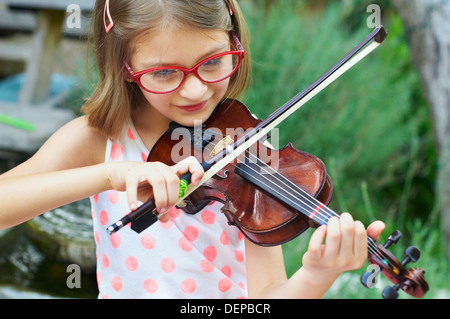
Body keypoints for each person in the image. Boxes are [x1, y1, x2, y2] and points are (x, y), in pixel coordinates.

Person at [0, 0, 385, 299]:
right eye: (165, 72)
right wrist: (110, 175)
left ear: (235, 42)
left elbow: (266, 294)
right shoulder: (100, 139)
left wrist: (317, 275)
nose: (195, 90)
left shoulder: (243, 137)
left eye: (213, 62)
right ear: (123, 66)